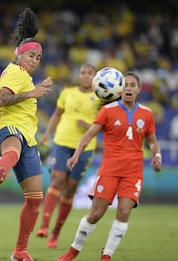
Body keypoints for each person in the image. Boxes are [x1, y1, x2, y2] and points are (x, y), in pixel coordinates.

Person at [57, 71, 162, 261]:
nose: (129, 88)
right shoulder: (108, 110)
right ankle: (74, 250)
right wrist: (76, 155)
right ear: (120, 89)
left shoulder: (146, 114)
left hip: (133, 171)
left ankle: (107, 255)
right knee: (96, 213)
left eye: (133, 85)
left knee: (124, 211)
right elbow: (88, 135)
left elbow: (152, 140)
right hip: (110, 168)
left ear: (138, 89)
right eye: (126, 85)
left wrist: (157, 155)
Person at [0, 8, 53, 261]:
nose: (35, 60)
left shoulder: (26, 76)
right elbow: (1, 101)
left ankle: (20, 251)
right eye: (31, 55)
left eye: (38, 57)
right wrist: (31, 94)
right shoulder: (15, 72)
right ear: (20, 55)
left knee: (34, 199)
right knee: (13, 150)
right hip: (8, 127)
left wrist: (32, 91)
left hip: (28, 135)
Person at [35, 64, 100, 248]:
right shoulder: (67, 92)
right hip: (62, 142)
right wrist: (47, 133)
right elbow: (57, 114)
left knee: (70, 188)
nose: (86, 76)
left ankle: (55, 233)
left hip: (85, 147)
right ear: (78, 75)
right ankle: (45, 225)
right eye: (83, 72)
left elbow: (104, 125)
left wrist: (88, 126)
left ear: (95, 77)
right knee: (57, 179)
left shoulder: (100, 99)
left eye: (89, 73)